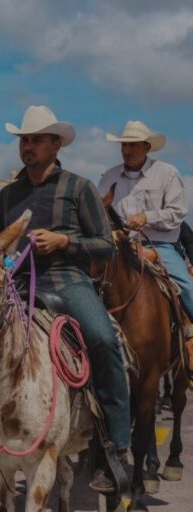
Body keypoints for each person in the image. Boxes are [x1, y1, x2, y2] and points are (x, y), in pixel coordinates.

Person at [0, 105, 130, 494]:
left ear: (55, 143)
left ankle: (113, 449)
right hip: (17, 285)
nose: (26, 146)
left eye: (34, 140)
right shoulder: (7, 194)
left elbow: (105, 247)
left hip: (67, 281)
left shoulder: (79, 188)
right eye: (23, 140)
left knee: (104, 340)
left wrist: (65, 241)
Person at [98, 120, 193, 380]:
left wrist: (147, 217)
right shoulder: (109, 176)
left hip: (160, 245)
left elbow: (177, 213)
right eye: (123, 145)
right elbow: (97, 210)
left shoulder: (167, 173)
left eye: (131, 145)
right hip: (120, 245)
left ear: (146, 146)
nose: (126, 150)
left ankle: (189, 342)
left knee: (187, 288)